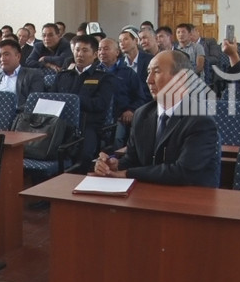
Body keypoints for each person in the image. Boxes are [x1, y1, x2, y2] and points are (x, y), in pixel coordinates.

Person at [93, 50, 220, 186]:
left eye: (157, 72)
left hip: (188, 195)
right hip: (147, 191)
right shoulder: (142, 114)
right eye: (149, 72)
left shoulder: (200, 121)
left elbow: (182, 172)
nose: (149, 80)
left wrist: (127, 174)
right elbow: (132, 159)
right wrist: (115, 165)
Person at [52, 34, 116, 168]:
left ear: (95, 54)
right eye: (77, 50)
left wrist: (74, 100)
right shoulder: (62, 76)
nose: (80, 54)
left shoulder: (104, 78)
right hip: (60, 124)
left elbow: (100, 104)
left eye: (85, 50)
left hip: (87, 125)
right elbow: (52, 99)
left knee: (84, 157)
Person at [97, 38, 148, 149]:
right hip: (97, 117)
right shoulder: (94, 72)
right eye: (99, 49)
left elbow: (140, 97)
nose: (102, 52)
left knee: (116, 140)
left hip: (119, 117)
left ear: (117, 52)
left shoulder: (128, 73)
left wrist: (131, 110)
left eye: (106, 49)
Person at [0, 38, 44, 112]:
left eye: (6, 54)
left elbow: (34, 102)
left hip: (19, 116)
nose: (2, 59)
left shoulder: (33, 75)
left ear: (18, 56)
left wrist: (10, 111)